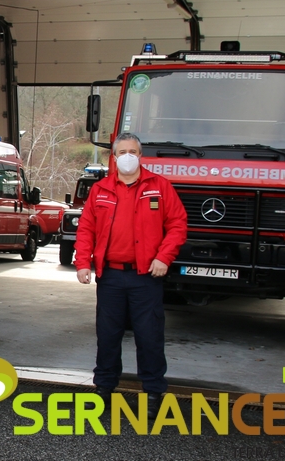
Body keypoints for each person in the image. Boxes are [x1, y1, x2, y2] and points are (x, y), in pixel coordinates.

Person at [74, 133, 187, 416]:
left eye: (133, 151)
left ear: (140, 155)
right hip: (110, 276)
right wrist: (82, 263)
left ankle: (152, 393)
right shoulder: (100, 189)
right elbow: (86, 229)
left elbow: (177, 225)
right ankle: (103, 388)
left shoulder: (159, 187)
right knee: (107, 335)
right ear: (113, 156)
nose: (127, 156)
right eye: (122, 151)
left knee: (149, 337)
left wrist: (164, 257)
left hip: (146, 277)